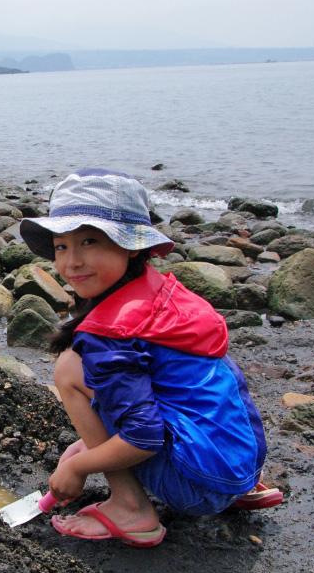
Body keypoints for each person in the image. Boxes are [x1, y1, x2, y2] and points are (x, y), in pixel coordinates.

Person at [19, 169, 283, 548]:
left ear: (131, 246)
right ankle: (235, 486)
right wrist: (93, 446)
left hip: (195, 487)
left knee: (69, 369)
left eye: (90, 241)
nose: (72, 262)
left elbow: (143, 437)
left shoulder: (112, 332)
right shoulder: (163, 296)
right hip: (239, 463)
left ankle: (130, 508)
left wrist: (78, 467)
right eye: (61, 246)